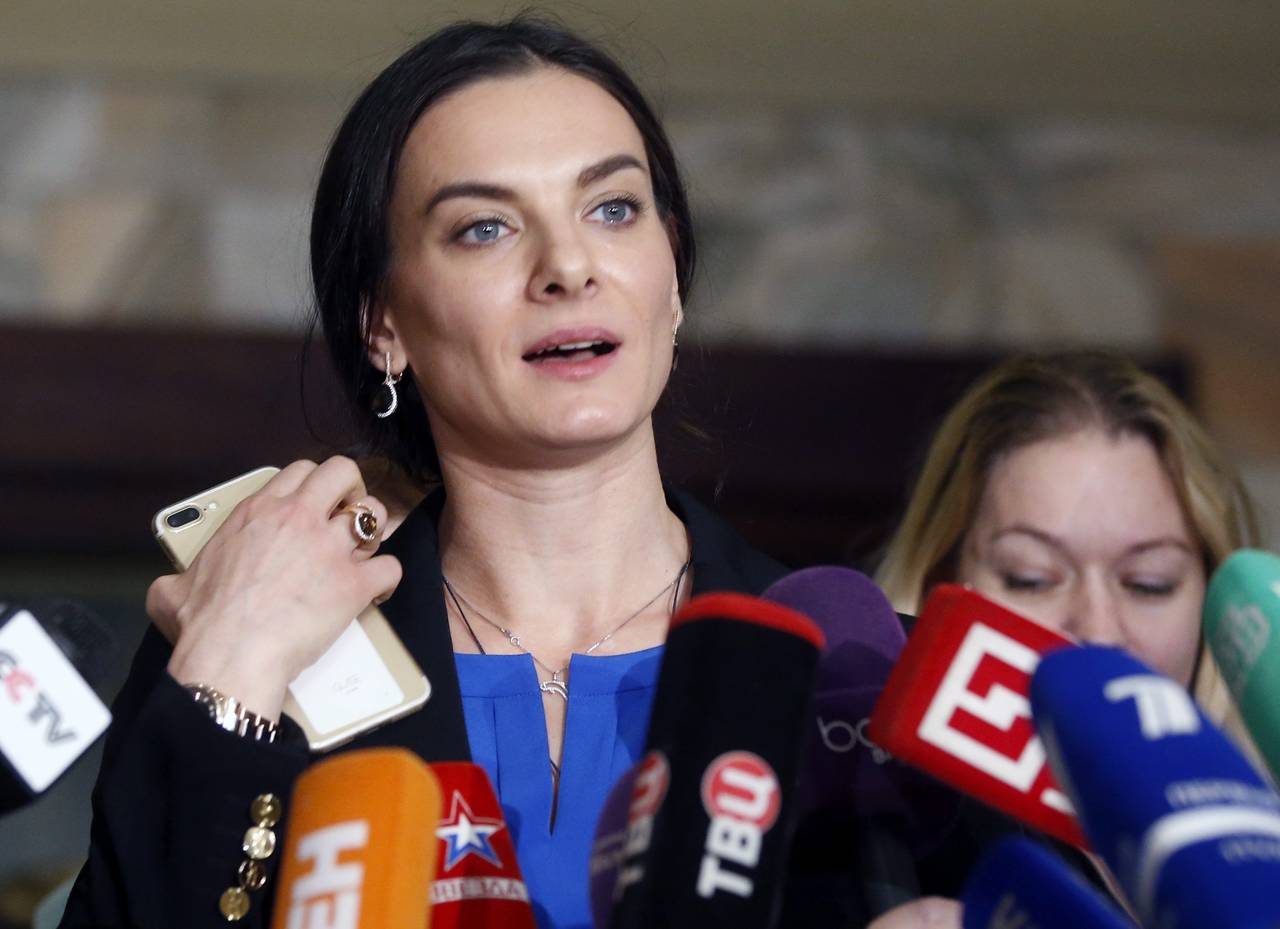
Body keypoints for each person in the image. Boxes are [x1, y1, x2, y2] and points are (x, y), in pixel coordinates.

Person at [59, 17, 787, 929]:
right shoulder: (252, 637)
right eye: (484, 228)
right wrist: (229, 669)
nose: (568, 267)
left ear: (671, 274)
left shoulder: (844, 670)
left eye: (612, 209)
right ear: (383, 324)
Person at [867, 350, 1264, 928]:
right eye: (1031, 578)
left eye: (1149, 583)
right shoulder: (871, 848)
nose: (1098, 631)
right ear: (935, 587)